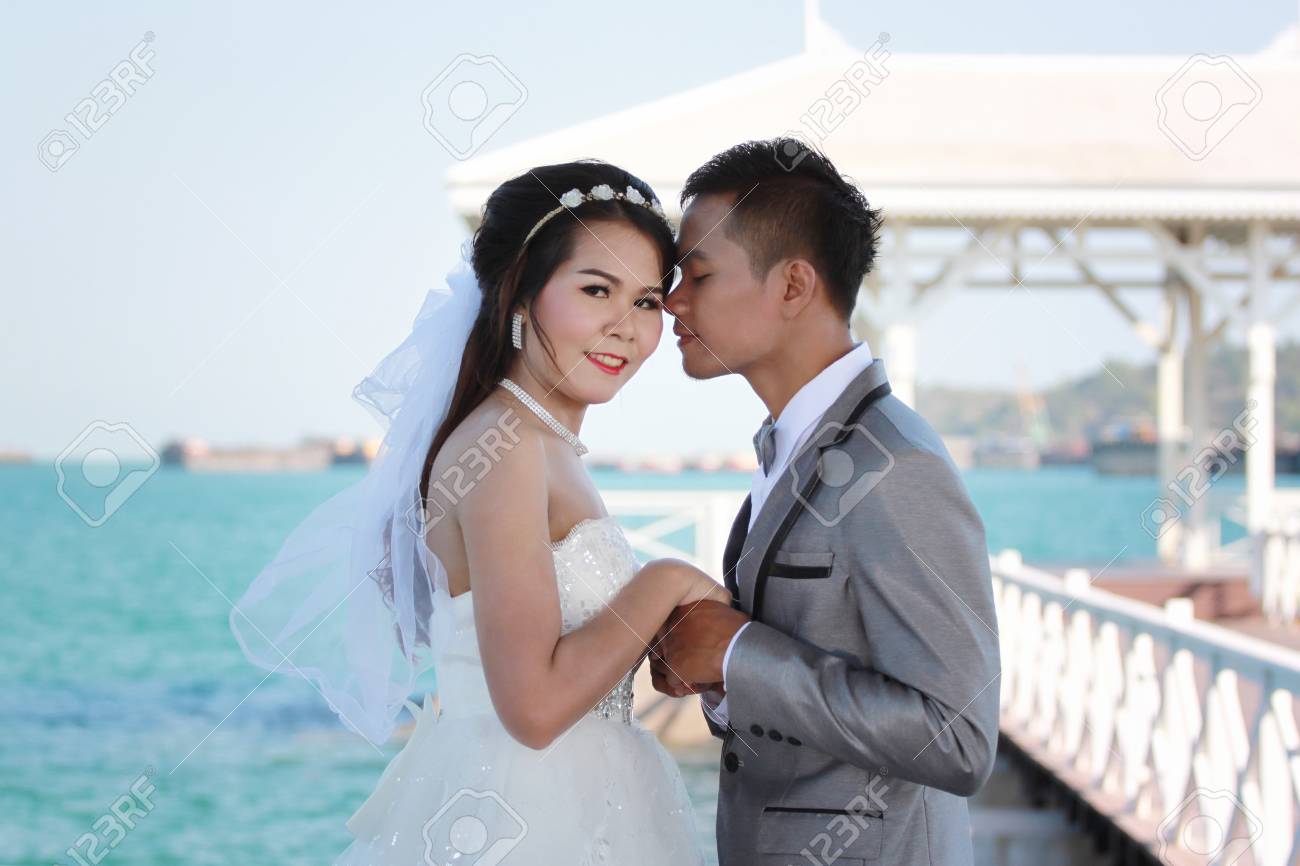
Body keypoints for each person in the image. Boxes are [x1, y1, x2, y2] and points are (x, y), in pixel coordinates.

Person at [231, 160, 722, 864]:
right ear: (522, 297)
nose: (626, 327)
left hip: (582, 804)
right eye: (595, 290)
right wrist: (668, 581)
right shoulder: (504, 448)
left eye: (647, 301)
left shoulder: (542, 444)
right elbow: (532, 707)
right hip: (518, 816)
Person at [651, 138, 1002, 866]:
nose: (671, 299)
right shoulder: (788, 446)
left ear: (792, 286)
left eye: (699, 274)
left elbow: (960, 736)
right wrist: (721, 676)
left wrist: (739, 652)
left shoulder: (896, 464)